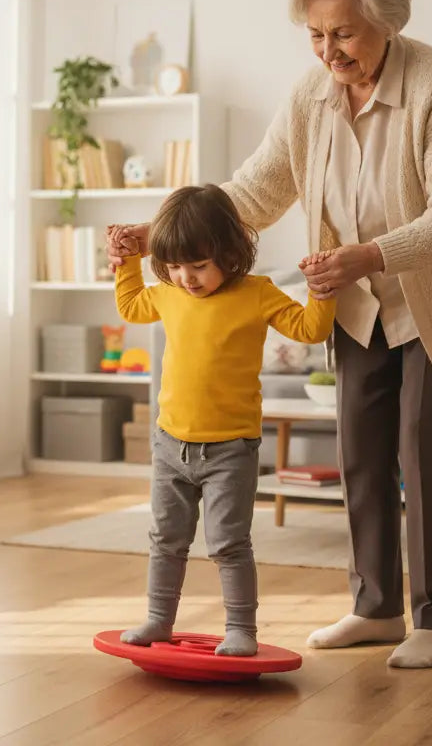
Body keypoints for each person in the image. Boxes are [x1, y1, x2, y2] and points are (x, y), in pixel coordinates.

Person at [109, 0, 432, 669]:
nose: (330, 51)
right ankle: (376, 607)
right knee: (360, 451)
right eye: (316, 35)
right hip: (354, 299)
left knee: (427, 455)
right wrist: (164, 226)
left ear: (388, 20)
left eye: (344, 33)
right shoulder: (311, 96)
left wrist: (371, 254)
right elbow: (255, 191)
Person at [109, 184, 336, 656]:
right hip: (170, 444)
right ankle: (158, 620)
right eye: (173, 266)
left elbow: (310, 328)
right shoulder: (168, 294)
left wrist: (321, 291)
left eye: (198, 266)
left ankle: (241, 630)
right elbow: (130, 306)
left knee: (229, 543)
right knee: (165, 540)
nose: (185, 278)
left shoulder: (258, 294)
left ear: (230, 255)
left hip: (230, 449)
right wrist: (126, 263)